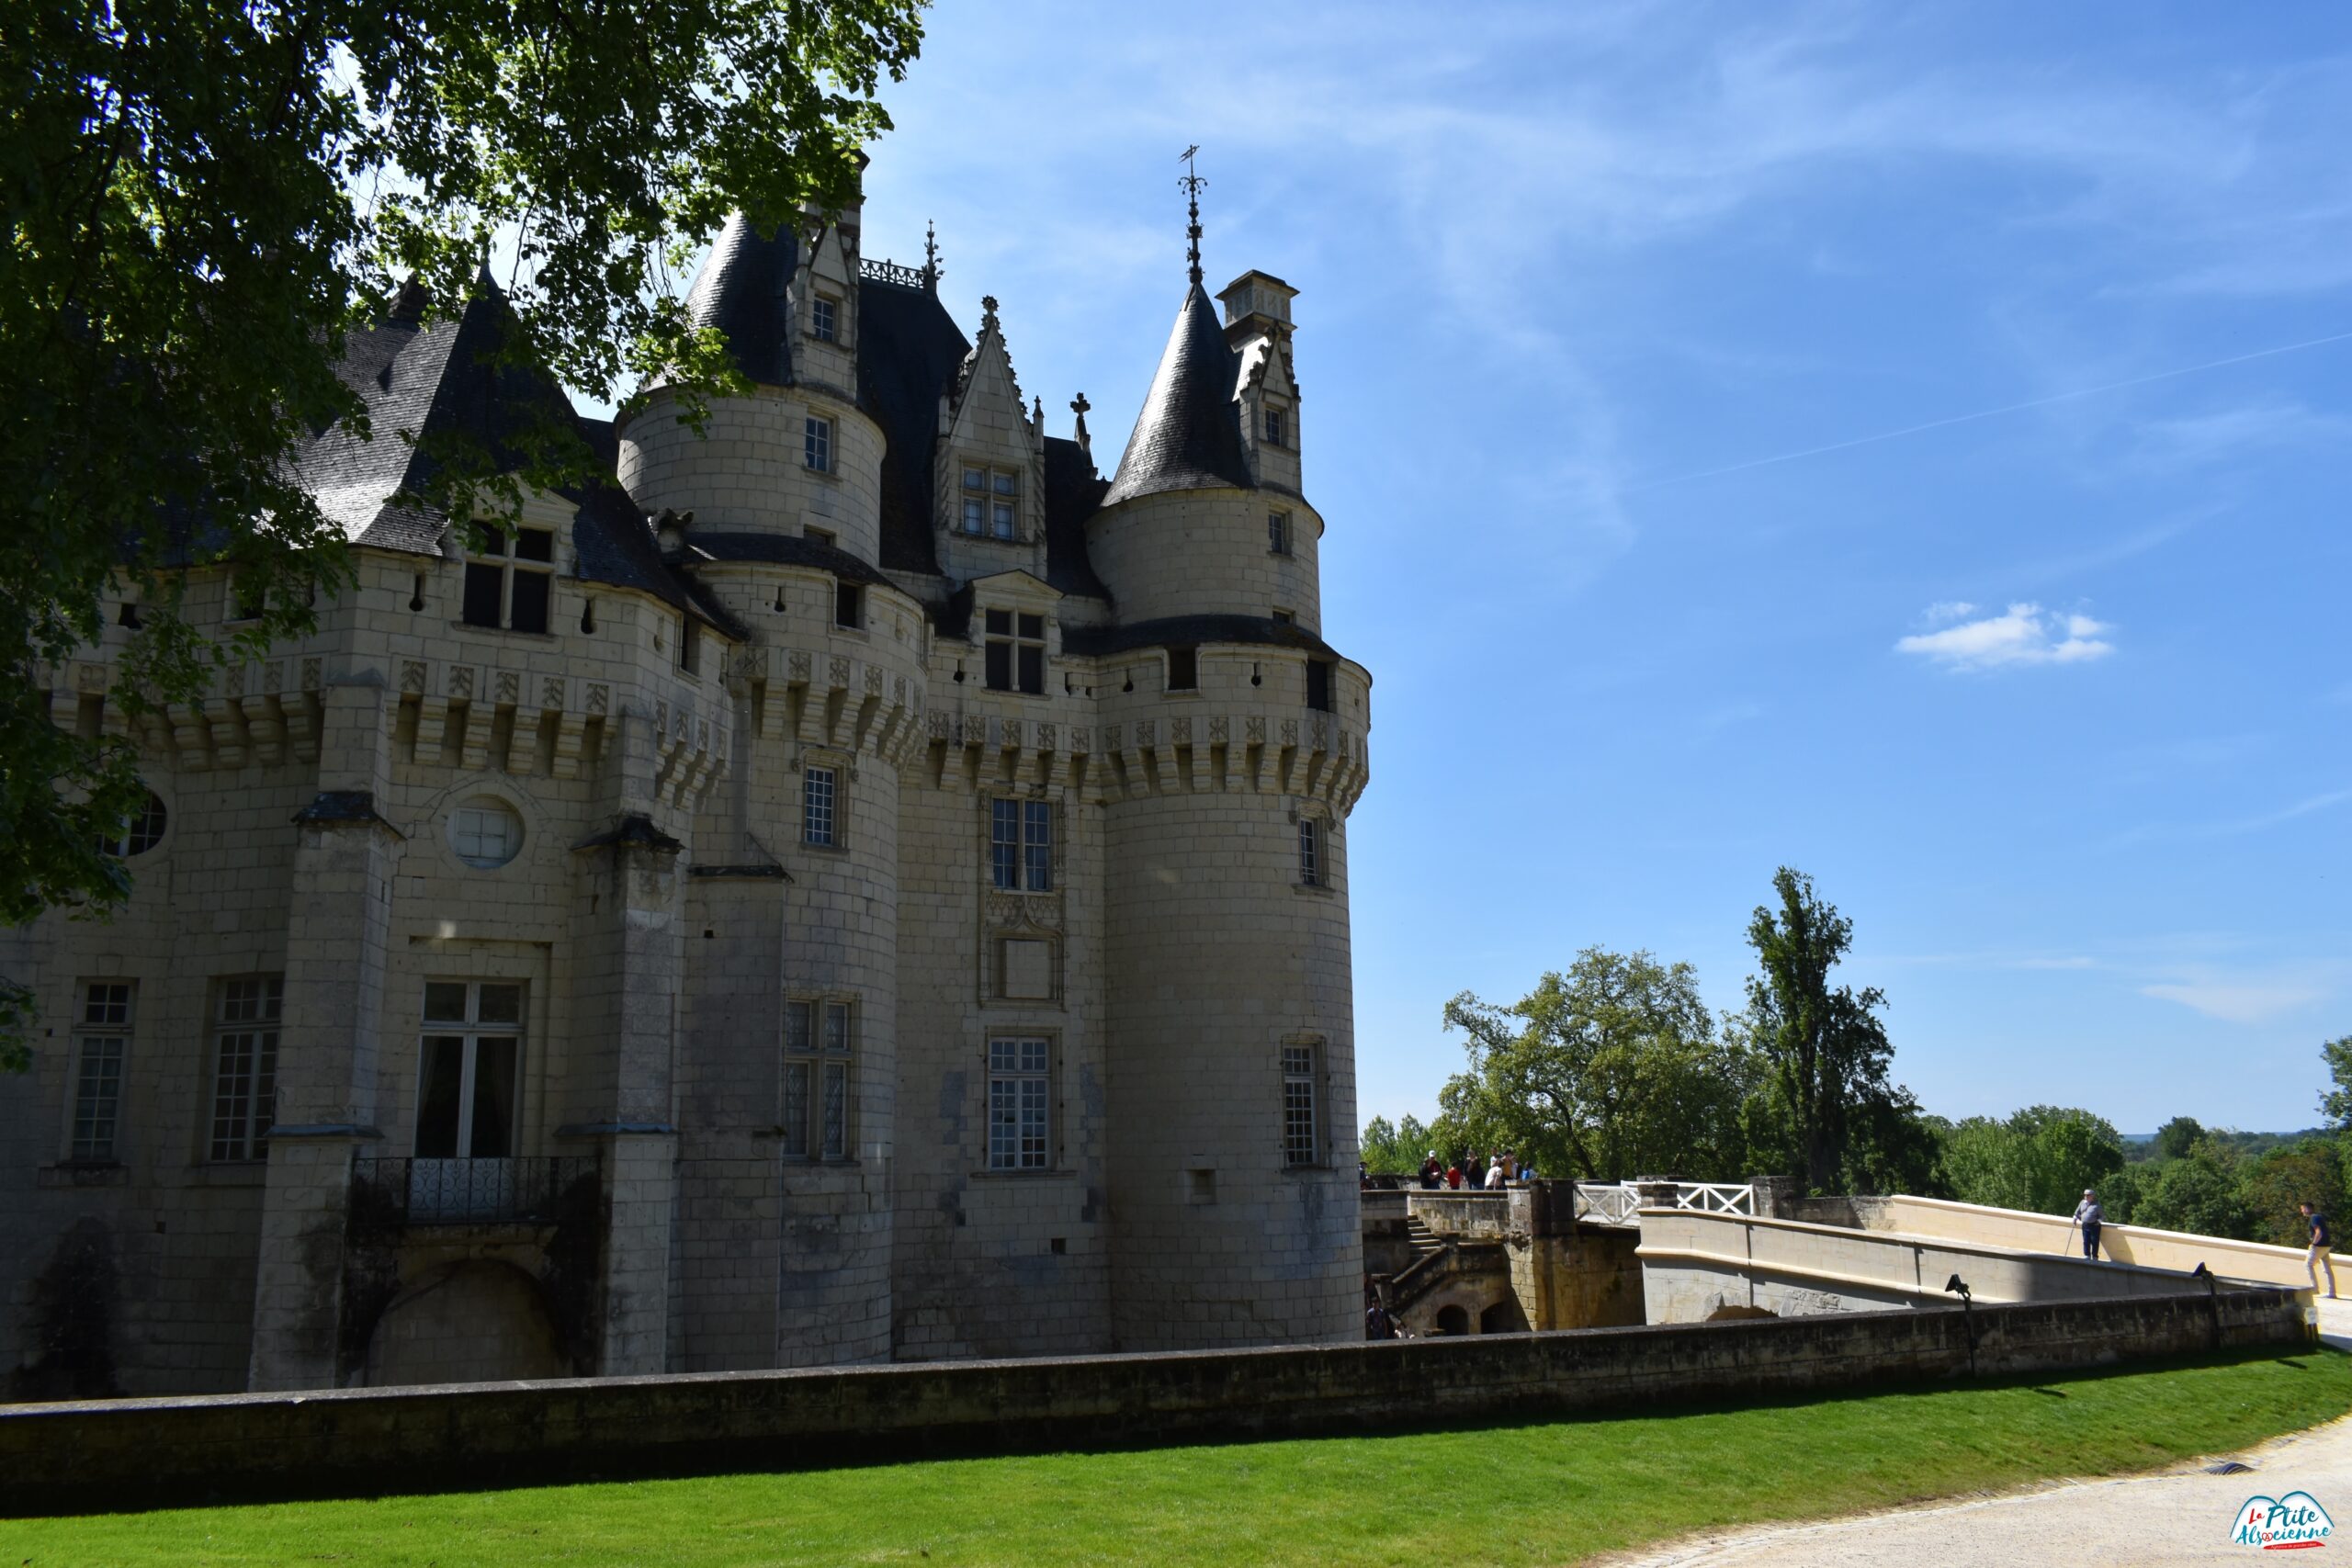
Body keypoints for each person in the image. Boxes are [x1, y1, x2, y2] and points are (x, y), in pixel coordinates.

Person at [2301, 1203, 2338, 1300]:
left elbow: (2318, 1232)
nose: (2302, 1211)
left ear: (2307, 1208)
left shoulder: (2314, 1217)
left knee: (2308, 1265)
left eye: (2302, 1209)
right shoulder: (2318, 1217)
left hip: (2319, 1246)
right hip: (2326, 1246)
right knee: (2327, 1269)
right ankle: (2332, 1293)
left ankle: (2315, 1288)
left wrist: (2314, 1244)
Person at [2073, 1189, 2104, 1261]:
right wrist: (2075, 1218)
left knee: (2094, 1241)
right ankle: (2087, 1255)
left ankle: (2095, 1256)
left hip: (2094, 1225)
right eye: (2085, 1195)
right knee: (2086, 1240)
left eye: (2088, 1195)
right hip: (2085, 1225)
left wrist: (2098, 1221)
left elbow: (2102, 1216)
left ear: (2092, 1196)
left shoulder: (2097, 1205)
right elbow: (2077, 1212)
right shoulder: (2082, 1202)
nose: (2086, 1196)